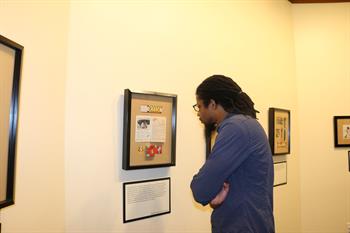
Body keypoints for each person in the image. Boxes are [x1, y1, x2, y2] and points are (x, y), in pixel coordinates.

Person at [190, 75, 275, 233]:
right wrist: (215, 196)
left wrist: (208, 190)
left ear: (213, 104)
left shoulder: (236, 128)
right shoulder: (247, 124)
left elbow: (200, 190)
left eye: (200, 106)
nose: (198, 112)